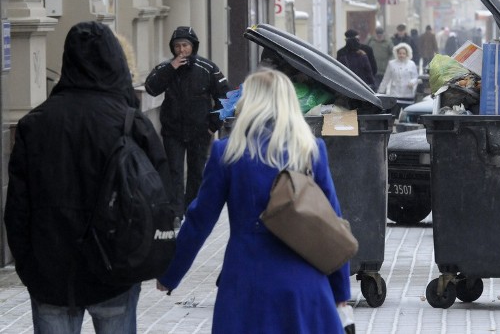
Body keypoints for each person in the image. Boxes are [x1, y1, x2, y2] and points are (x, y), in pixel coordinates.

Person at [5, 21, 172, 333]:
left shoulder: (35, 124)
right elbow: (160, 199)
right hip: (116, 272)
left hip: (51, 276)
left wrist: (29, 266)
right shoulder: (130, 123)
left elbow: (17, 209)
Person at [156, 68, 351, 333]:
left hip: (246, 283)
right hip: (304, 282)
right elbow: (332, 223)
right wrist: (340, 291)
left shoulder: (228, 152)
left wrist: (171, 273)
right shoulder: (311, 149)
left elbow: (200, 219)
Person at [145, 26, 229, 227]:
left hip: (200, 131)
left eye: (185, 45)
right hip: (172, 131)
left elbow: (226, 99)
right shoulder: (166, 68)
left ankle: (193, 210)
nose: (181, 50)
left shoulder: (208, 68)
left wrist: (213, 126)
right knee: (174, 171)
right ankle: (175, 212)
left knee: (196, 171)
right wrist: (171, 68)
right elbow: (151, 88)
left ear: (193, 47)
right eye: (177, 46)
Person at [377, 42, 419, 116]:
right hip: (395, 94)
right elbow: (386, 79)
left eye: (403, 53)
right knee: (393, 116)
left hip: (408, 95)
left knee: (407, 116)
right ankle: (392, 127)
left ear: (407, 54)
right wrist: (380, 92)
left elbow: (415, 77)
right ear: (396, 53)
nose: (401, 55)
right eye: (400, 53)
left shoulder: (411, 64)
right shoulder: (391, 64)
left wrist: (412, 82)